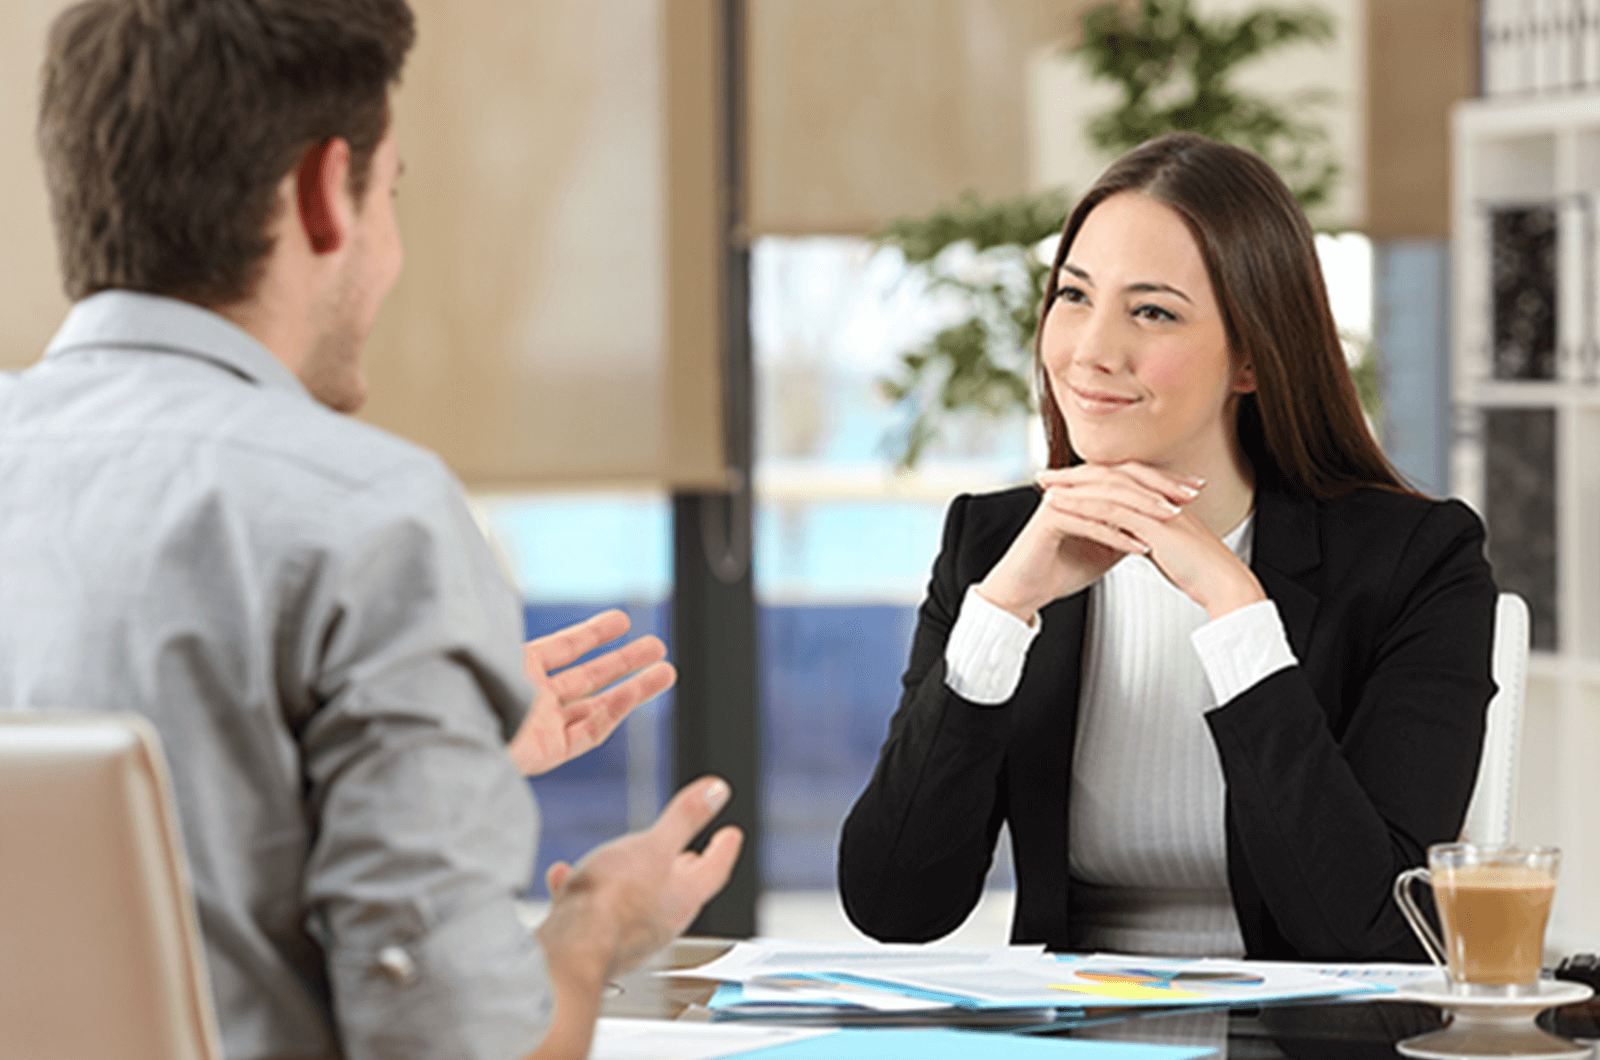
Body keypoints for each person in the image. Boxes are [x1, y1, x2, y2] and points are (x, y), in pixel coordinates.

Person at [0, 2, 739, 1059]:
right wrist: (595, 927)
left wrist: (435, 736)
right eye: (390, 194)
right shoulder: (368, 520)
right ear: (320, 195)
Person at [838, 132, 1497, 963]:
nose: (1091, 351)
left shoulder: (1416, 561)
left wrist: (1237, 614)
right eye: (1074, 296)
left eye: (1152, 311)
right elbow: (895, 905)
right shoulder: (994, 546)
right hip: (1076, 1036)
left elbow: (1374, 936)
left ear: (1253, 356)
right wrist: (1001, 615)